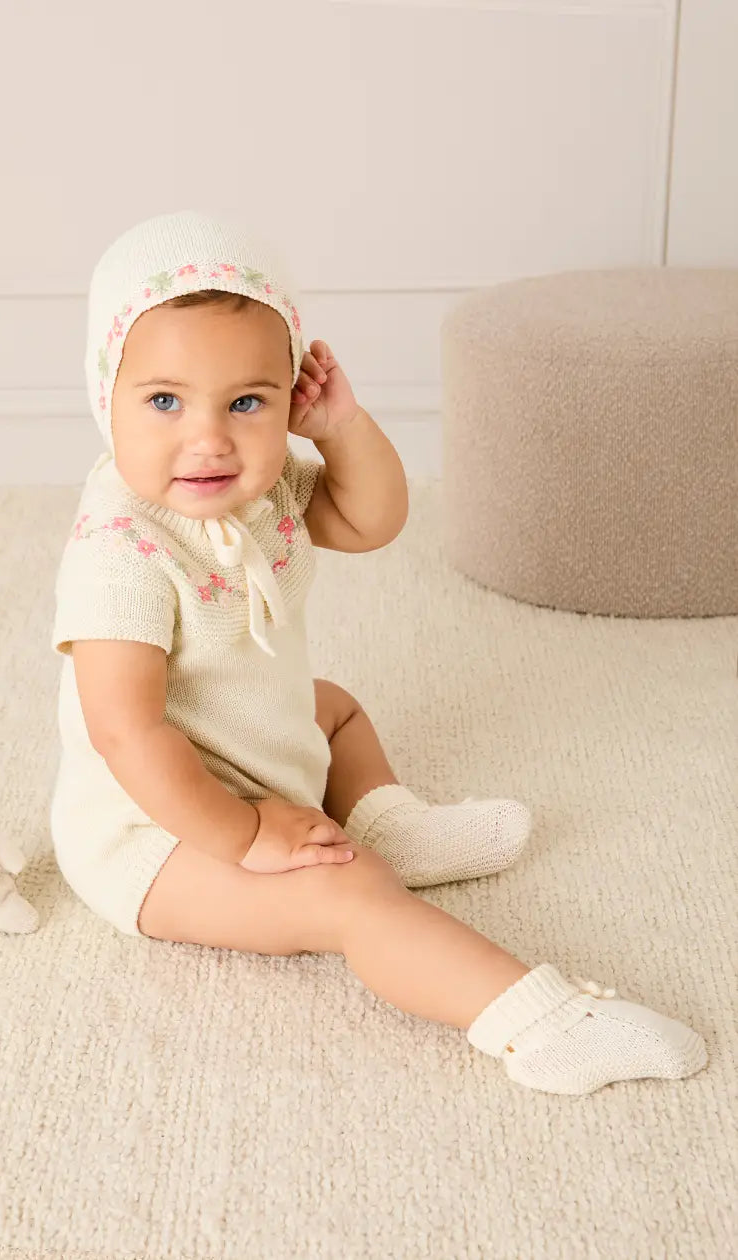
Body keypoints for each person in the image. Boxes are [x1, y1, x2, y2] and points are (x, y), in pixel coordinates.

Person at [49, 208, 707, 1096]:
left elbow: (371, 519)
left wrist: (342, 428)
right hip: (154, 832)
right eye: (165, 401)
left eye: (247, 402)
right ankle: (537, 1023)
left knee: (333, 705)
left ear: (289, 396)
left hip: (248, 746)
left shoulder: (263, 485)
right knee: (348, 892)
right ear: (106, 398)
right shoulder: (119, 552)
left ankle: (384, 819)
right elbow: (126, 733)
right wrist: (246, 833)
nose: (208, 438)